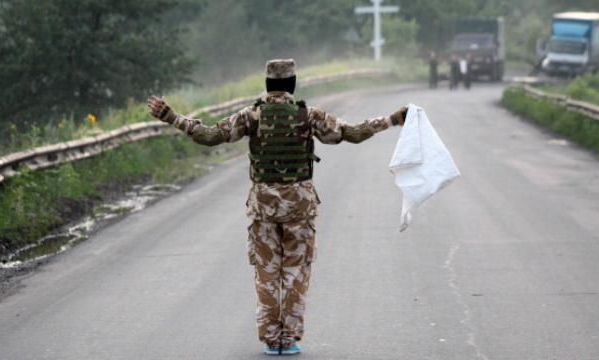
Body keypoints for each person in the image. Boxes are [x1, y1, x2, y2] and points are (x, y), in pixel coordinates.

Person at [147, 59, 407, 356]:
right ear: (293, 84)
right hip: (300, 209)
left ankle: (272, 340)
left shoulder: (251, 115)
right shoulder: (308, 115)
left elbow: (208, 137)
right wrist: (393, 119)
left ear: (267, 84)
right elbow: (353, 133)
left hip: (263, 210)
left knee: (267, 275)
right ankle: (291, 339)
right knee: (296, 273)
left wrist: (172, 117)